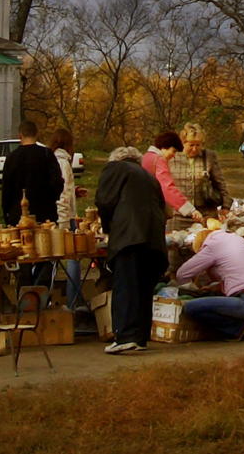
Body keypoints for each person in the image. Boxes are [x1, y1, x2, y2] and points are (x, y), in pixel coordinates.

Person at [95, 146, 167, 355]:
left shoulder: (115, 169)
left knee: (126, 285)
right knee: (144, 288)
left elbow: (104, 201)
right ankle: (140, 336)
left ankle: (125, 335)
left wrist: (108, 228)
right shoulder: (148, 176)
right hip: (153, 238)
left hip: (130, 235)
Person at [176, 229, 244, 340]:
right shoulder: (236, 239)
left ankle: (237, 328)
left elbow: (182, 274)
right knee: (211, 300)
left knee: (190, 307)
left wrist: (191, 286)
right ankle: (243, 324)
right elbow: (239, 276)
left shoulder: (212, 246)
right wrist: (215, 287)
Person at [48, 127, 91, 321]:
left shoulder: (51, 160)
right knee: (71, 259)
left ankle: (68, 298)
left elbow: (62, 190)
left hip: (62, 215)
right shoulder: (63, 163)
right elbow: (61, 194)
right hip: (64, 217)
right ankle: (73, 300)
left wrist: (75, 192)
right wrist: (65, 220)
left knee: (57, 260)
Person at [0, 120, 63, 226]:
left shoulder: (12, 158)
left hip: (18, 217)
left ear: (20, 135)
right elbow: (57, 184)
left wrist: (7, 214)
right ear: (37, 133)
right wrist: (51, 199)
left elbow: (6, 190)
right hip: (45, 215)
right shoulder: (47, 155)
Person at [170, 123, 231, 226]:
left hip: (206, 214)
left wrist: (226, 206)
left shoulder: (209, 156)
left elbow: (220, 182)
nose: (194, 149)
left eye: (198, 145)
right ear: (183, 143)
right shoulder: (173, 157)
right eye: (191, 145)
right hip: (179, 215)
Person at [142, 131, 204, 224]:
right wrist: (190, 210)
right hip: (151, 211)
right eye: (173, 151)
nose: (174, 155)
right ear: (164, 147)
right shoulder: (159, 160)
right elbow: (167, 189)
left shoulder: (146, 157)